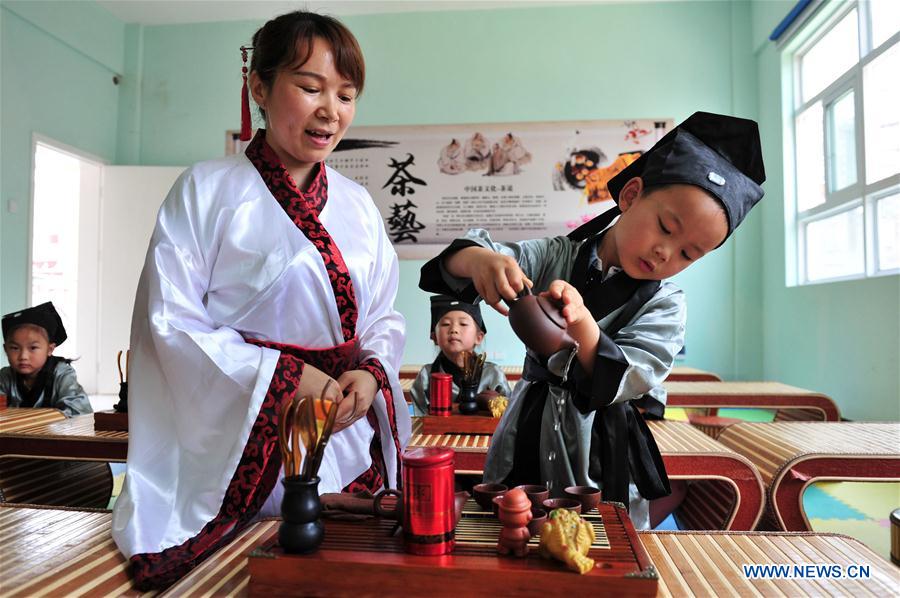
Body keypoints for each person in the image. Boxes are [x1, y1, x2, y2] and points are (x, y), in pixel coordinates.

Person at [111, 11, 409, 589]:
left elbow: (383, 315)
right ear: (258, 87)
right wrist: (286, 377)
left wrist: (371, 374)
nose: (332, 111)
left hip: (345, 438)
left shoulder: (357, 206)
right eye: (309, 87)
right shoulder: (204, 190)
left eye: (347, 95)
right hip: (240, 438)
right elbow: (170, 320)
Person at [420, 112, 766, 529]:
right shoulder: (557, 255)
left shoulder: (666, 303)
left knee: (598, 538)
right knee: (513, 522)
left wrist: (583, 324)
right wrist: (482, 260)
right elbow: (457, 262)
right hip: (530, 420)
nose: (665, 254)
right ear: (631, 195)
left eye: (689, 254)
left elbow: (632, 375)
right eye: (665, 228)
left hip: (604, 441)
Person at [409, 295, 512, 416]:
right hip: (438, 434)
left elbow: (509, 415)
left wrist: (495, 402)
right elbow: (420, 419)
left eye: (463, 324)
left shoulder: (493, 374)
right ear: (434, 337)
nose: (454, 329)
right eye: (446, 324)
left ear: (479, 337)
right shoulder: (426, 375)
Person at [0, 301, 91, 417]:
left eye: (33, 348)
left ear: (50, 349)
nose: (23, 356)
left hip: (53, 433)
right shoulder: (5, 377)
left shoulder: (62, 374)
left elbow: (78, 412)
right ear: (5, 349)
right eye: (14, 348)